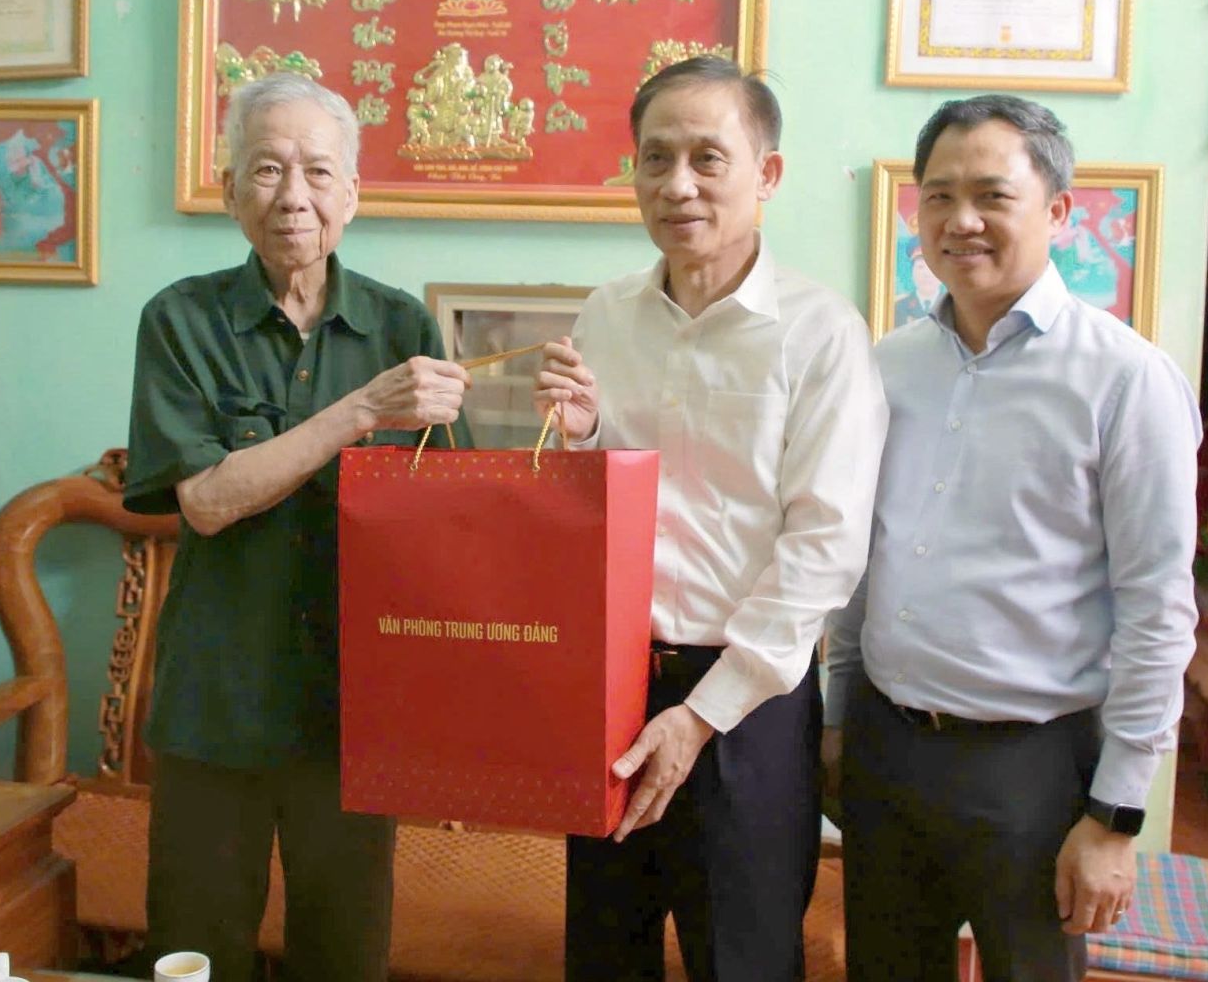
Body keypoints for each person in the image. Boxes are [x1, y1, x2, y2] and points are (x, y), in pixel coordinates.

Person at [823, 94, 1201, 982]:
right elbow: (862, 563)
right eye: (939, 196)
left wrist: (1116, 816)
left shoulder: (1125, 380)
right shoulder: (888, 365)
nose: (961, 220)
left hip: (1033, 770)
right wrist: (837, 720)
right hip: (885, 747)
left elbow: (1156, 607)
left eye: (992, 195)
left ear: (1058, 211)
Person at [534, 56, 888, 981]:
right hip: (612, 690)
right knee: (603, 952)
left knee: (744, 959)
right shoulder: (607, 315)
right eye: (655, 159)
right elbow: (586, 517)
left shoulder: (822, 333)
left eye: (707, 158)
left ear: (766, 174)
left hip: (748, 705)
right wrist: (582, 437)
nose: (677, 184)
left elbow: (824, 551)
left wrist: (699, 718)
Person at [123, 73, 471, 982]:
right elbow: (206, 501)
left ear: (351, 193)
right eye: (267, 168)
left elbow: (452, 518)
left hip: (356, 714)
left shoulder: (401, 324)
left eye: (318, 171)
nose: (293, 196)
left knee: (345, 960)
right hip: (216, 709)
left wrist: (573, 424)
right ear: (231, 190)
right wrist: (359, 412)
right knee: (194, 958)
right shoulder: (180, 319)